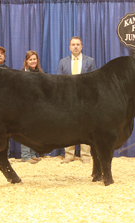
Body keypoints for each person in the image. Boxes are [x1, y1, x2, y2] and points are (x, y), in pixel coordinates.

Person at [57, 36, 97, 164]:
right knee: (68, 126)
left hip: (85, 100)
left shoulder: (90, 61)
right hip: (67, 100)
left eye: (78, 44)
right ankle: (69, 154)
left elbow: (94, 81)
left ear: (81, 46)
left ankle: (85, 155)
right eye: (73, 44)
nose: (75, 46)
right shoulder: (63, 62)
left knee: (86, 126)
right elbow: (58, 82)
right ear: (69, 47)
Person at [20, 50, 44, 164]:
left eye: (34, 59)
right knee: (25, 130)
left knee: (35, 131)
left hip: (37, 106)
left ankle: (33, 154)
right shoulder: (22, 74)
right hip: (25, 106)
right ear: (26, 61)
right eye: (30, 59)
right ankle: (25, 156)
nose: (33, 61)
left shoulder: (40, 73)